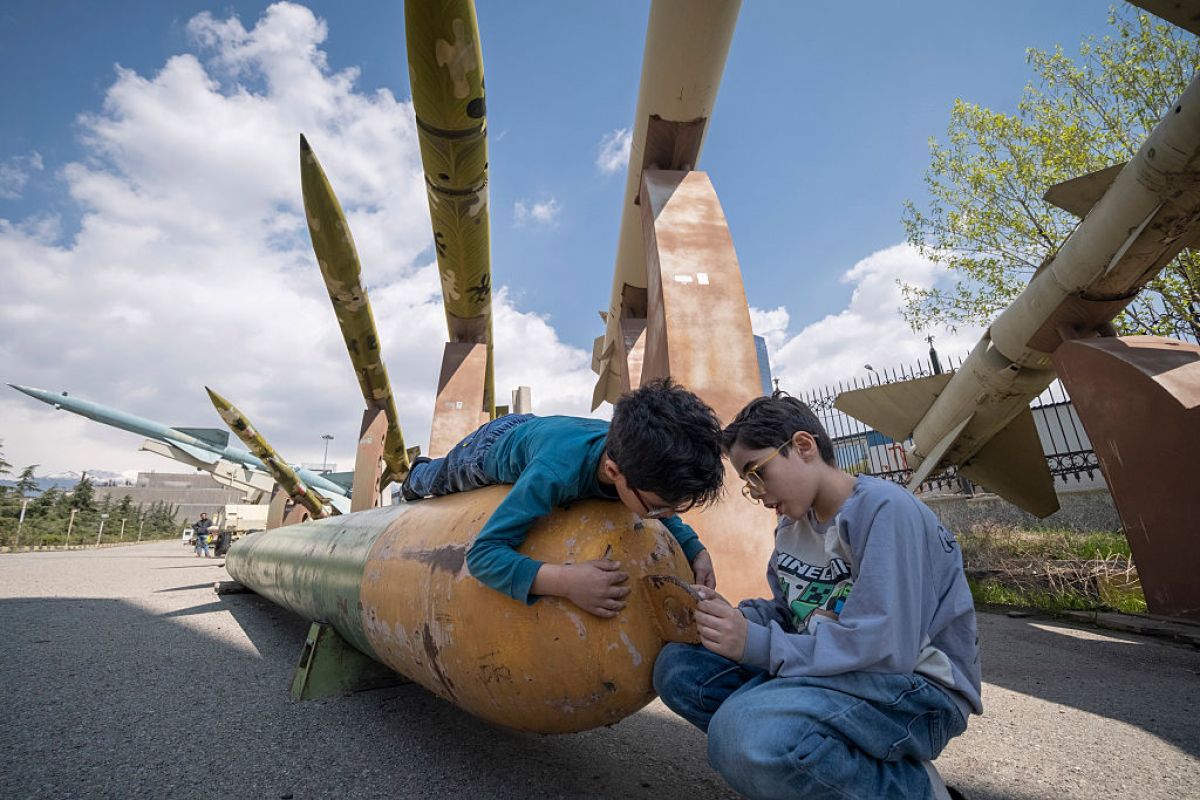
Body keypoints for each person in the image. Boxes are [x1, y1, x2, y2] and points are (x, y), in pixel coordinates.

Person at [653, 392, 981, 800]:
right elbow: (789, 613)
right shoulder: (792, 527)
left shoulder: (884, 510)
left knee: (742, 737)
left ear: (804, 447)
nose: (755, 492)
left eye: (757, 472)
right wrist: (730, 619)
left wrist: (755, 644)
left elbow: (883, 647)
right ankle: (822, 762)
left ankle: (917, 791)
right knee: (680, 667)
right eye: (746, 483)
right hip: (839, 674)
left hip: (914, 690)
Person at [401, 379, 725, 617]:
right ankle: (414, 475)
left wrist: (695, 550)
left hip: (543, 428)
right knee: (440, 479)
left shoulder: (637, 457)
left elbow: (667, 512)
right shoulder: (555, 473)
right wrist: (566, 582)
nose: (665, 515)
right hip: (491, 445)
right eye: (655, 508)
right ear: (614, 472)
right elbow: (483, 555)